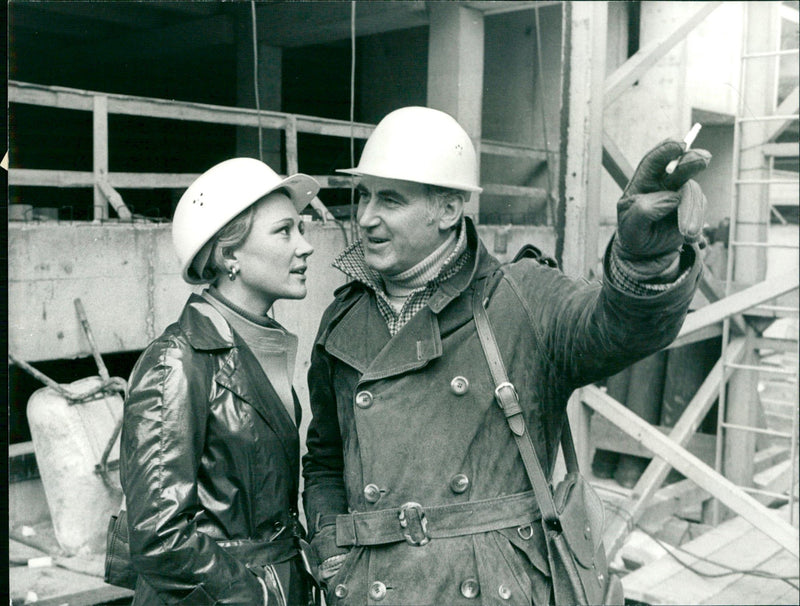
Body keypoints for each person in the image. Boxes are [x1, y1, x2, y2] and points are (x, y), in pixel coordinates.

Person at [301, 106, 710, 605]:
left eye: (390, 199)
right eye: (362, 195)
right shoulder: (342, 321)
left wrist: (643, 261)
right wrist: (331, 551)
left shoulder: (523, 297)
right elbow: (324, 458)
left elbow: (617, 328)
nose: (365, 218)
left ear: (448, 210)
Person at [120, 158, 319, 605]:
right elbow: (158, 536)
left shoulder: (257, 344)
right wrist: (258, 596)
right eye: (285, 231)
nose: (305, 247)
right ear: (230, 254)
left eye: (301, 230)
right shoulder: (177, 360)